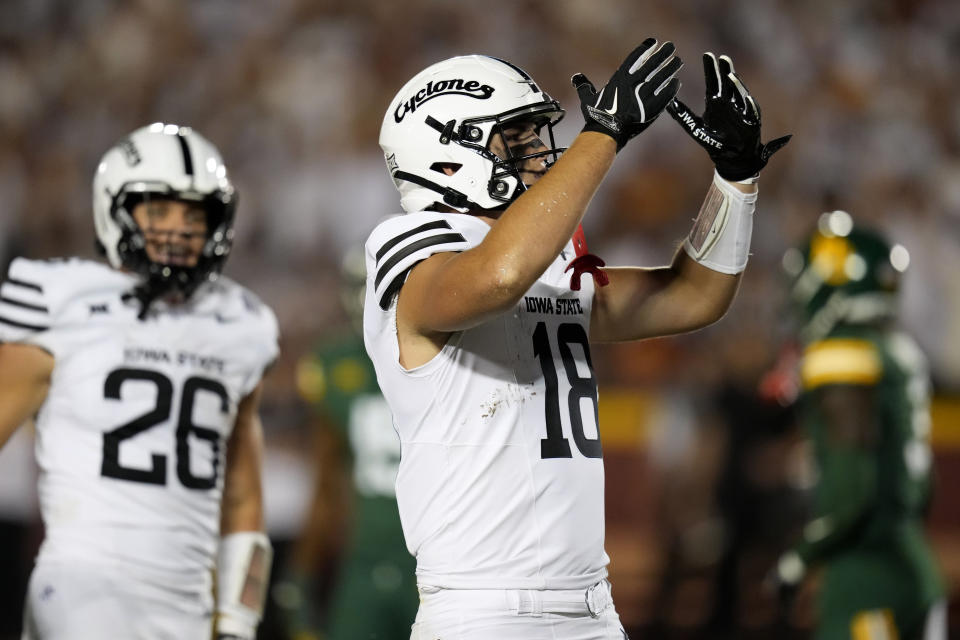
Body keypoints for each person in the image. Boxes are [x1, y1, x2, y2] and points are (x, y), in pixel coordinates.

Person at [364, 41, 789, 638]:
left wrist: (736, 179)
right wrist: (605, 134)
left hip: (590, 607)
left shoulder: (546, 261)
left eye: (539, 134)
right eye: (516, 139)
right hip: (482, 610)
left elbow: (695, 296)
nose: (541, 152)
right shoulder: (406, 244)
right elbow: (496, 277)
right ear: (447, 154)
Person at [0, 123, 278, 640]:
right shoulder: (59, 299)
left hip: (188, 604)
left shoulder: (242, 323)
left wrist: (238, 619)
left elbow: (242, 497)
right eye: (158, 210)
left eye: (194, 214)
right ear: (115, 210)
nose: (178, 229)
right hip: (81, 587)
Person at [767, 210, 946, 640]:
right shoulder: (899, 350)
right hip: (913, 566)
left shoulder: (841, 354)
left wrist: (799, 559)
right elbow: (922, 486)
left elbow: (853, 488)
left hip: (866, 578)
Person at [280, 248, 417, 639]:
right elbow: (326, 486)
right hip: (363, 563)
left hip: (437, 564)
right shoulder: (335, 365)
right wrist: (301, 578)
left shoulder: (453, 362)